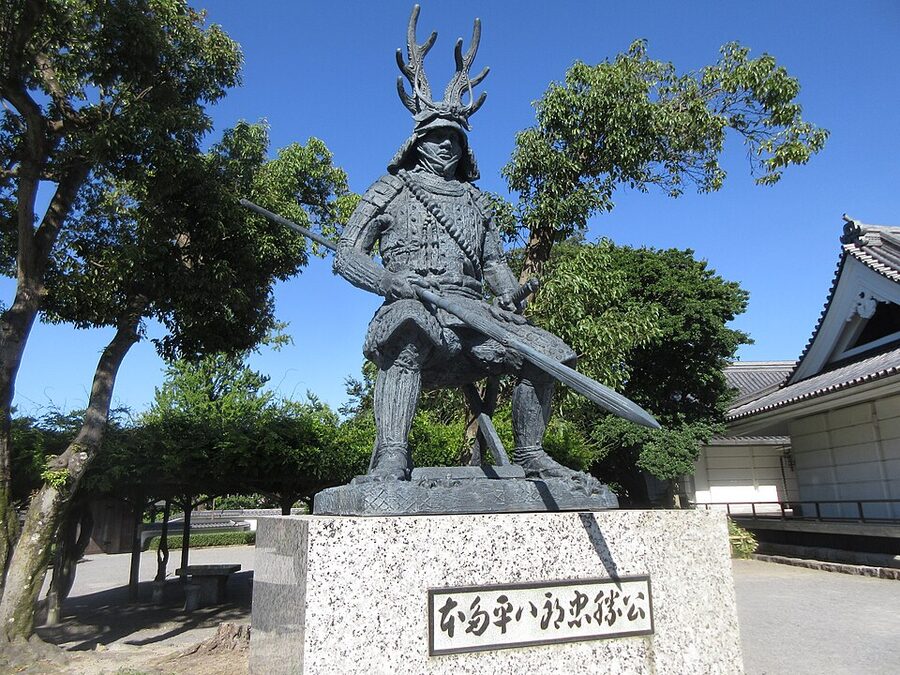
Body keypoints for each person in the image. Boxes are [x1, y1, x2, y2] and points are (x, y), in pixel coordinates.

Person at [333, 7, 600, 492]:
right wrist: (385, 280)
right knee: (409, 327)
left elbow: (495, 262)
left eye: (453, 139)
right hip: (416, 305)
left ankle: (532, 453)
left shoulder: (478, 201)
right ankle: (392, 455)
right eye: (434, 138)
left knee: (548, 353)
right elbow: (345, 254)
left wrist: (510, 293)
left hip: (476, 316)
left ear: (464, 147)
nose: (444, 147)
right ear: (417, 142)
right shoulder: (388, 190)